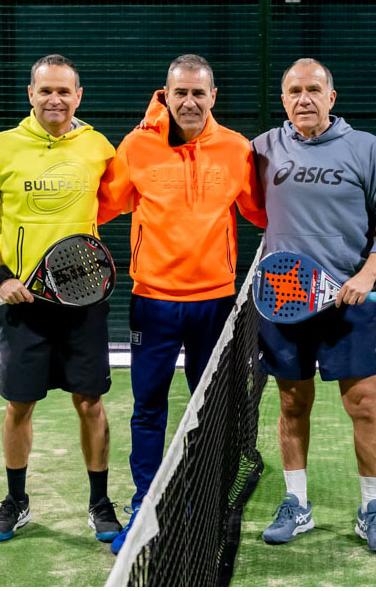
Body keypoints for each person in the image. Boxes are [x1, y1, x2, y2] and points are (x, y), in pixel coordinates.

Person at [97, 54, 267, 555]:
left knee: (208, 411)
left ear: (213, 96)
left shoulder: (236, 149)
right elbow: (99, 205)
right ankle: (145, 505)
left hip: (214, 303)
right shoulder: (137, 146)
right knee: (148, 406)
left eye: (198, 93)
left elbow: (261, 212)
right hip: (152, 302)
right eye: (180, 93)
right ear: (165, 95)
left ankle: (202, 503)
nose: (189, 102)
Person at [0, 54, 122, 544]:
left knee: (90, 402)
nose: (55, 99)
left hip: (83, 300)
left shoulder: (99, 147)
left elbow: (122, 198)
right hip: (23, 304)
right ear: (30, 94)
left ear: (78, 96)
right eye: (46, 90)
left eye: (64, 91)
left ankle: (100, 503)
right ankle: (16, 501)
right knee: (19, 404)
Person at [252, 58, 376, 554]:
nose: (304, 99)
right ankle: (297, 504)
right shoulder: (262, 148)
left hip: (349, 301)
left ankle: (372, 508)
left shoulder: (364, 147)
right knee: (292, 403)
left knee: (364, 404)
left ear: (331, 97)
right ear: (283, 100)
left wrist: (368, 273)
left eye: (314, 90)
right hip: (284, 300)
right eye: (295, 91)